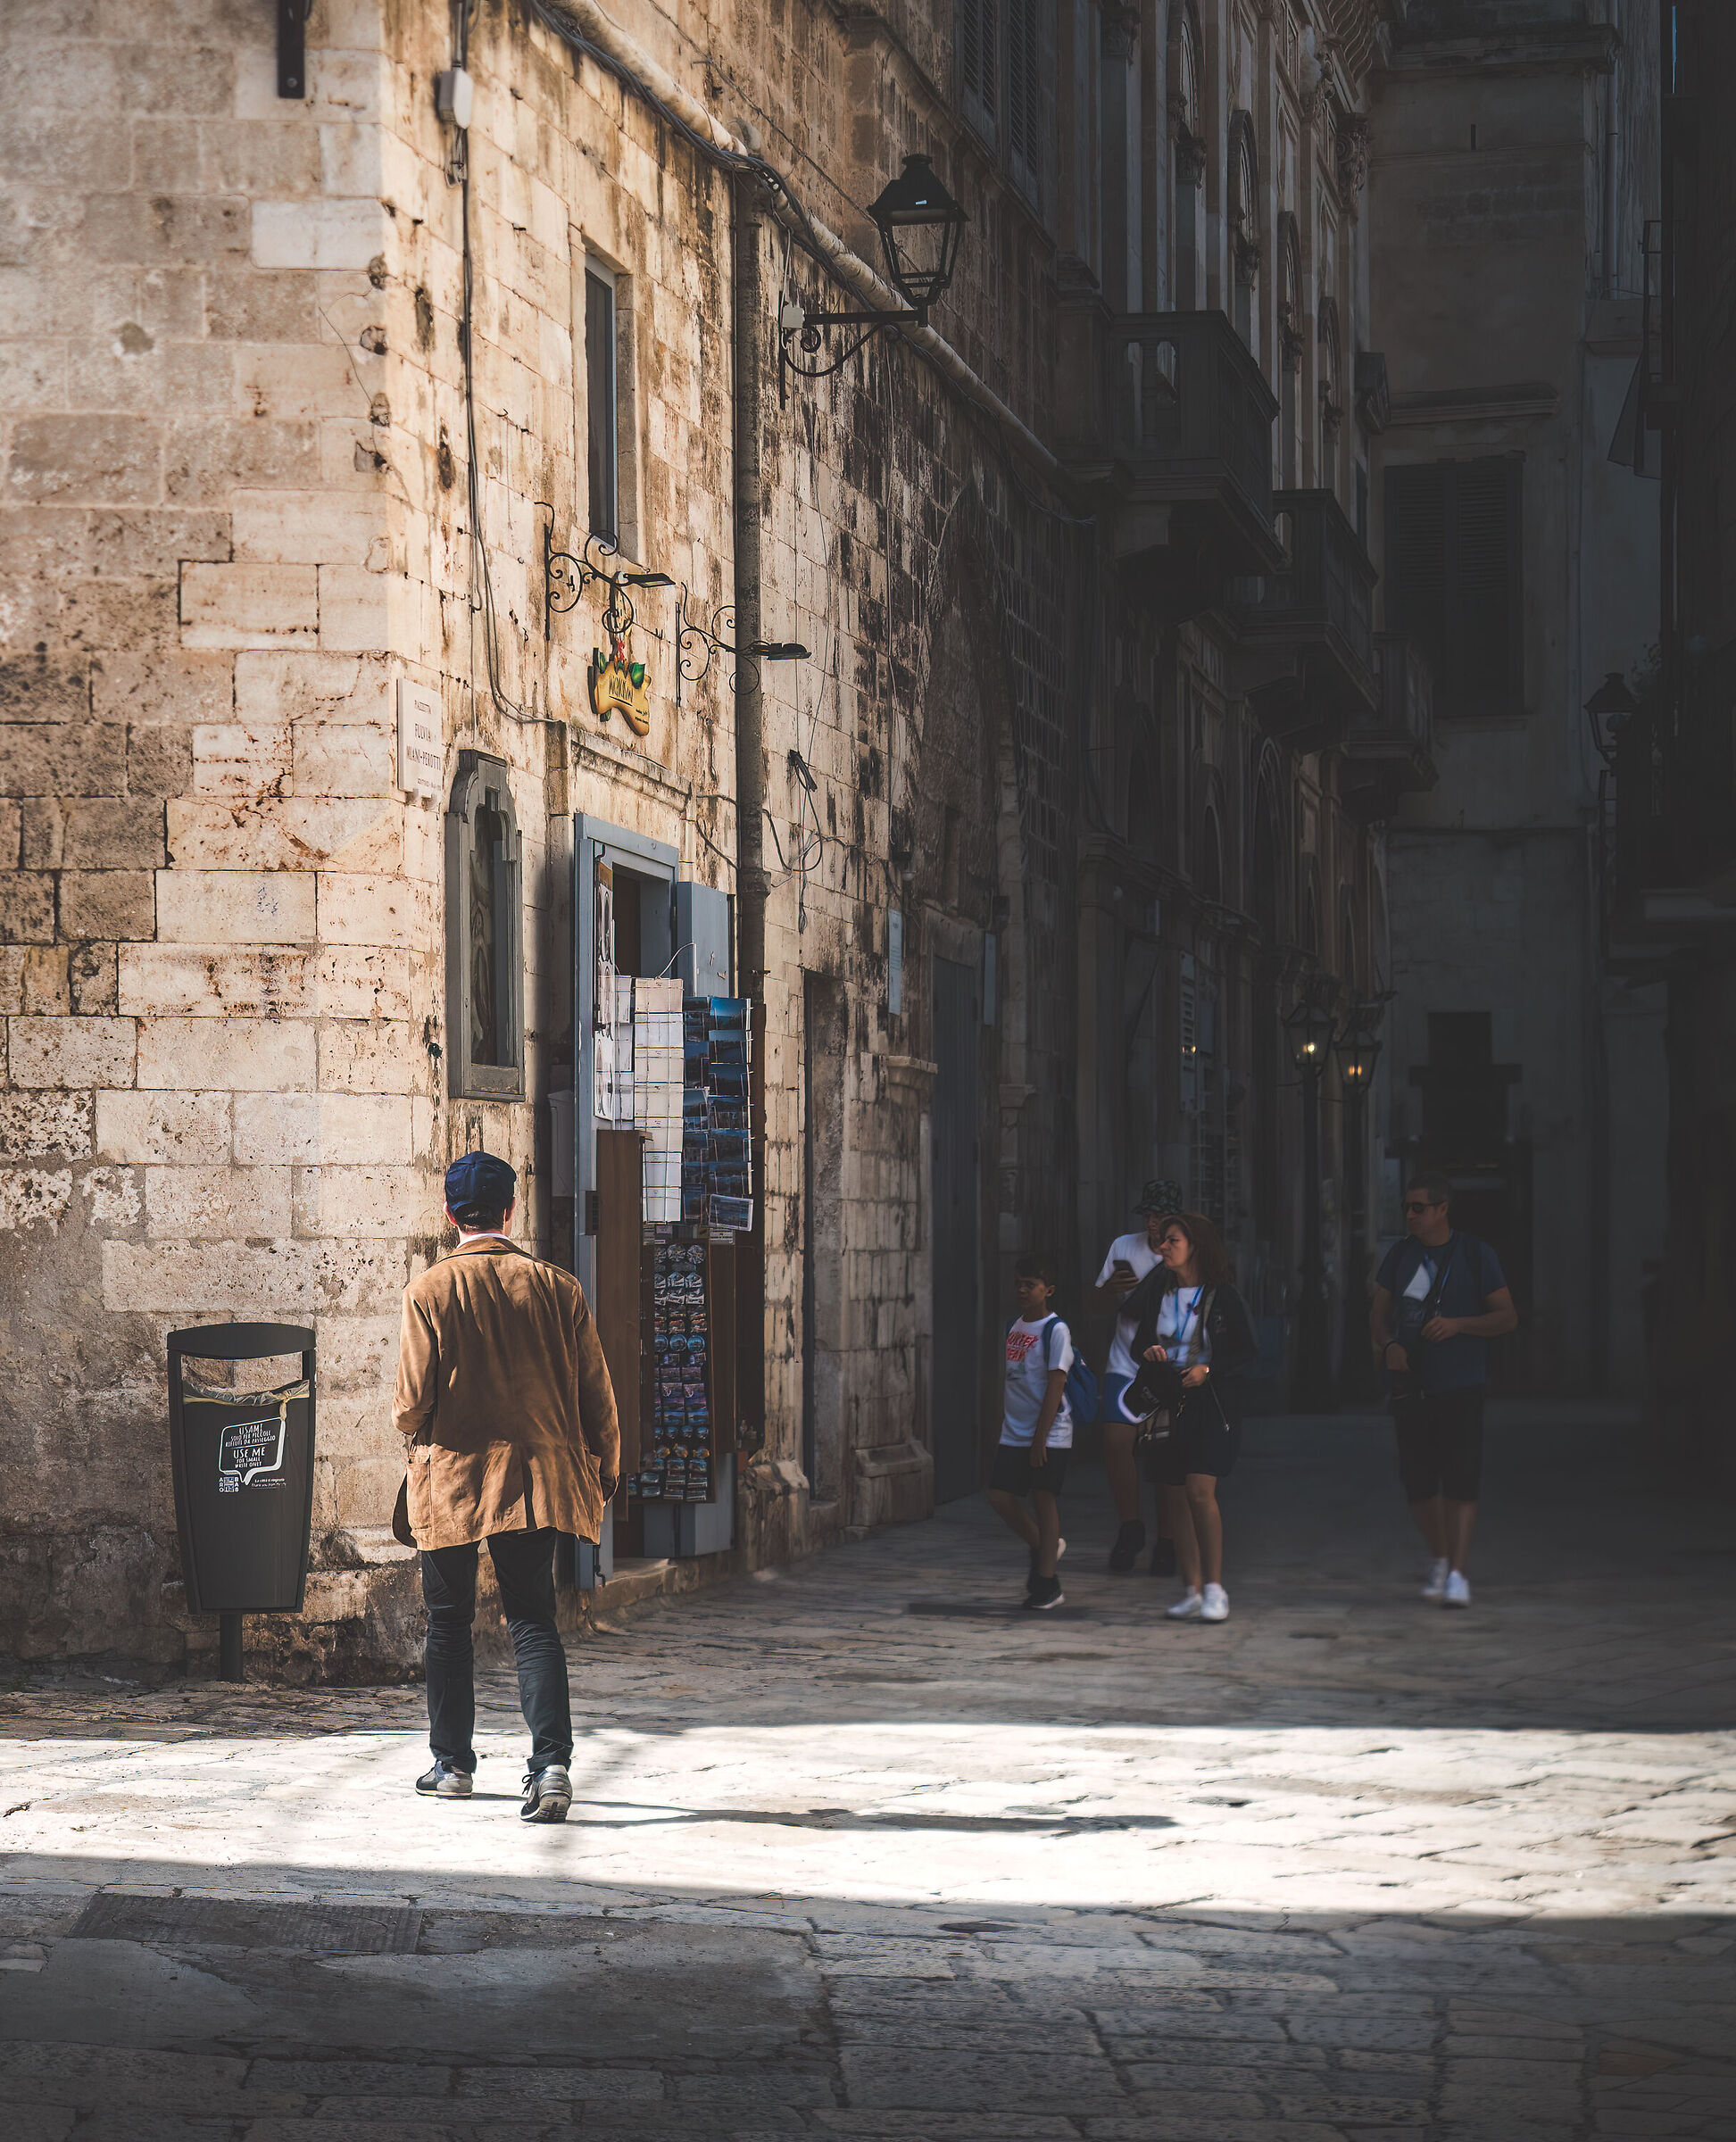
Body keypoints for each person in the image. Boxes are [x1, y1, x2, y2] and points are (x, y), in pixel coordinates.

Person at [393, 1151, 619, 1820]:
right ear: (511, 1212)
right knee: (532, 1619)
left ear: (449, 1214)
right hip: (535, 1482)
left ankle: (452, 1765)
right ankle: (550, 1766)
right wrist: (605, 1470)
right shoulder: (558, 1289)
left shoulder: (428, 1291)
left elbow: (410, 1405)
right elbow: (597, 1396)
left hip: (452, 1481)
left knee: (448, 1623)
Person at [1369, 1169, 1516, 1609]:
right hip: (1412, 1385)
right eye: (1407, 1208)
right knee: (1417, 1483)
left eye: (1419, 1208)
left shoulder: (1476, 1254)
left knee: (1460, 1479)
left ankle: (1457, 1572)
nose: (1411, 1215)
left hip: (1461, 1382)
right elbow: (1377, 1314)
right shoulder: (1401, 1255)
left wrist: (1458, 1325)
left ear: (1442, 1209)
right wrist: (1389, 1345)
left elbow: (1506, 1317)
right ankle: (1440, 1556)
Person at [1122, 1211, 1258, 1623]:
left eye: (1172, 1240)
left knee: (1200, 1491)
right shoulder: (1158, 1289)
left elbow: (1246, 1352)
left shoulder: (1222, 1296)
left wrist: (1209, 1370)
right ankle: (1192, 1589)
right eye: (1163, 1240)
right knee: (1176, 1496)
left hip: (1209, 1402)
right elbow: (1138, 1340)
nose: (1163, 1247)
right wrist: (1148, 1352)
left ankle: (1215, 1588)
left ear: (1195, 1246)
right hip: (1170, 1400)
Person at [1090, 1179, 1184, 1572]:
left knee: (1164, 1455)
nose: (1151, 1222)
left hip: (1167, 1366)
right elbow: (1095, 1304)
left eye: (1159, 1215)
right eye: (1147, 1214)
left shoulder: (1187, 1252)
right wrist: (1109, 1289)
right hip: (1125, 1362)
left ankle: (1168, 1541)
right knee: (1116, 1440)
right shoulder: (1123, 1247)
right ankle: (1130, 1527)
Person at [986, 1252, 1074, 1611]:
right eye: (1018, 1284)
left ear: (1048, 1290)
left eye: (1031, 1285)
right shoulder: (1013, 1326)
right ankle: (1045, 1546)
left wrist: (1040, 1438)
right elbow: (1010, 1381)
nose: (1022, 1290)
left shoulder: (1056, 1330)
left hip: (1049, 1433)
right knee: (999, 1496)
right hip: (1014, 1432)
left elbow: (1056, 1384)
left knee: (1043, 1498)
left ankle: (1047, 1584)